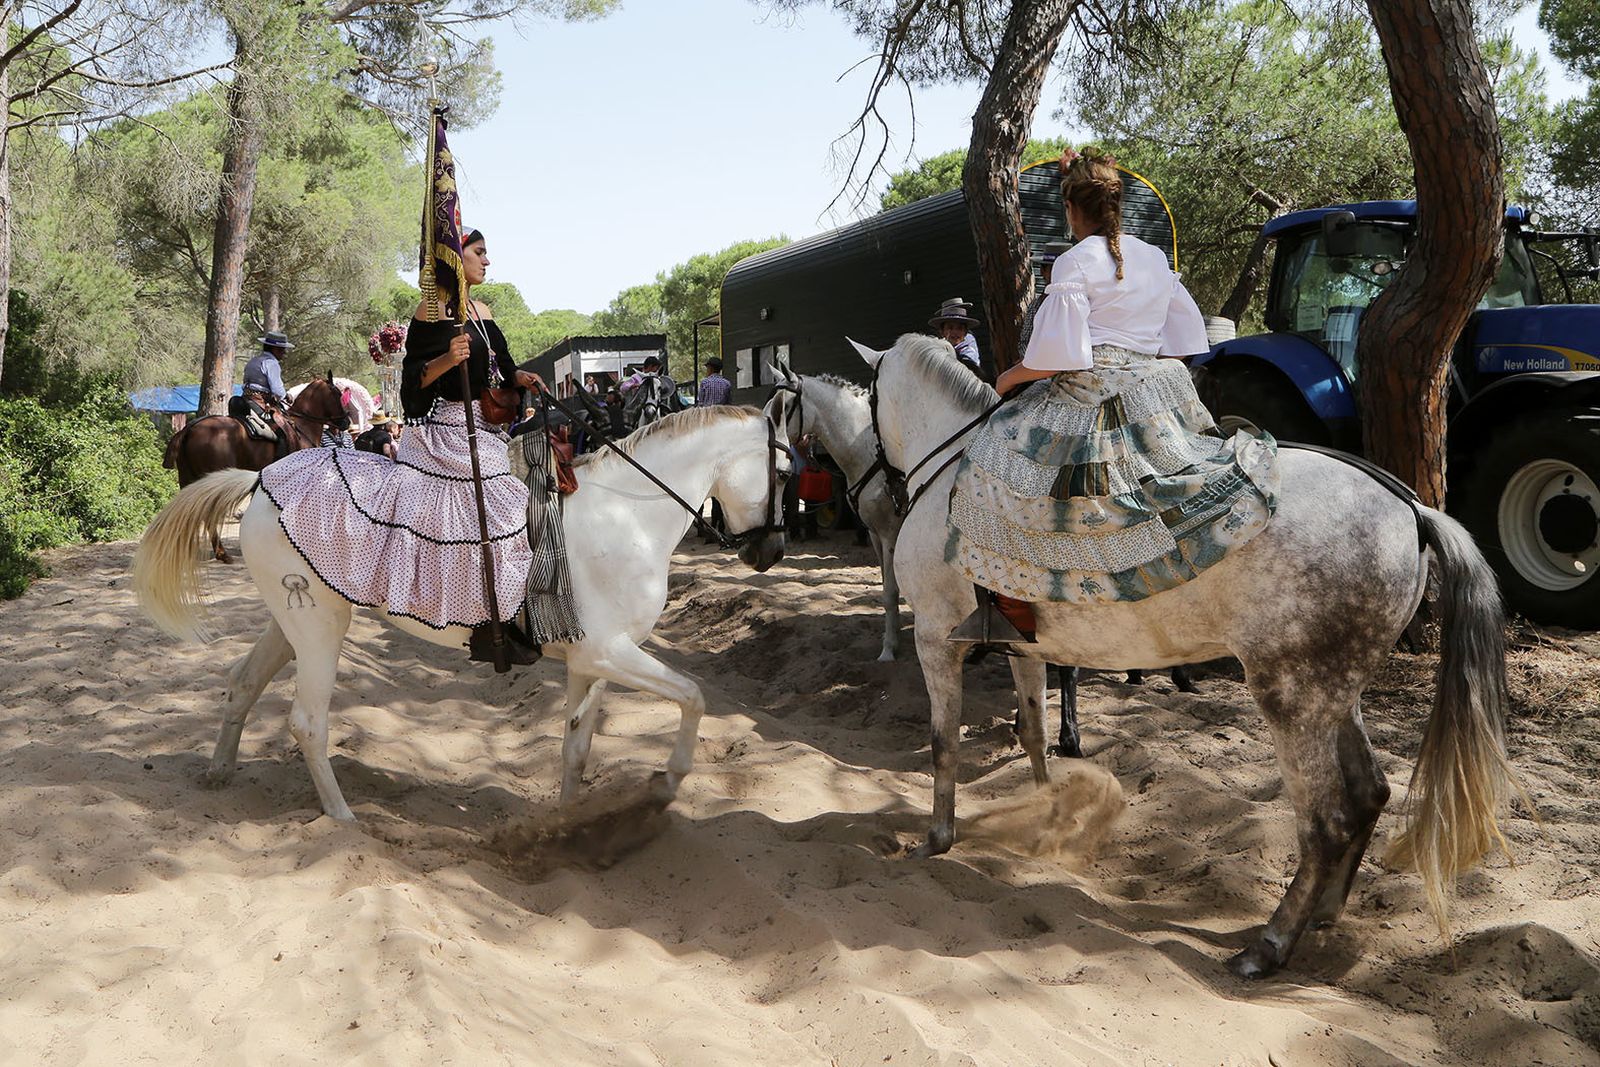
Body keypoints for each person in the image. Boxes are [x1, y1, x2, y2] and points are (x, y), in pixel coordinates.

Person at [947, 146, 1279, 644]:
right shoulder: (1153, 257)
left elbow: (1058, 358)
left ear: (1074, 209)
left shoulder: (1073, 261)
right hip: (1156, 389)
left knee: (991, 463)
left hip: (1091, 389)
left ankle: (1013, 602)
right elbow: (1186, 341)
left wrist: (1007, 379)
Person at [257, 228, 551, 667]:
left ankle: (514, 606)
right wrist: (446, 360)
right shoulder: (431, 312)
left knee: (514, 499)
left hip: (485, 428)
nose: (487, 262)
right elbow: (414, 383)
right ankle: (486, 621)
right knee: (489, 504)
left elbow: (501, 369)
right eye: (480, 253)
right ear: (457, 260)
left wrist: (520, 377)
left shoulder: (482, 309)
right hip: (445, 430)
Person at [235, 330, 294, 445]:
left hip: (245, 399)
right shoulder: (271, 363)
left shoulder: (253, 361)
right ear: (275, 349)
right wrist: (286, 395)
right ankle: (279, 460)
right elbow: (277, 391)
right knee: (283, 431)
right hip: (259, 402)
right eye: (282, 349)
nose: (284, 353)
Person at [929, 299, 989, 383]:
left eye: (960, 328)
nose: (955, 332)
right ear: (942, 332)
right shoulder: (937, 347)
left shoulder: (969, 347)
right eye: (950, 328)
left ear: (965, 333)